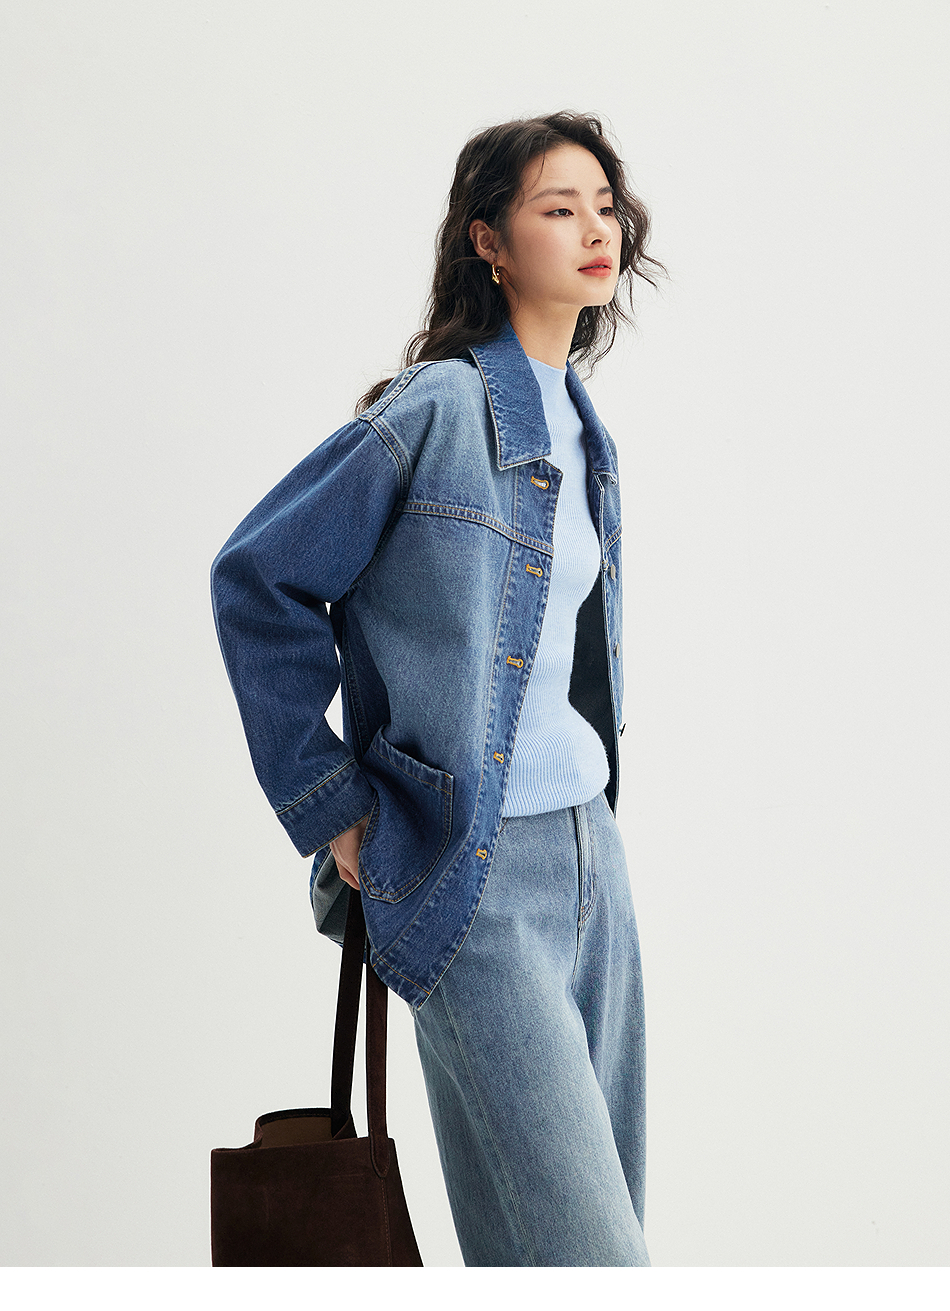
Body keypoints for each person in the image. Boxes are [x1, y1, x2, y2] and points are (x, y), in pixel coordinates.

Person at [211, 110, 665, 1266]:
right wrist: (332, 805)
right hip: (471, 872)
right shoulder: (437, 410)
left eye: (603, 207)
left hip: (590, 859)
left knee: (575, 1250)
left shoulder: (582, 426)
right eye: (557, 209)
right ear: (488, 242)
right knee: (591, 1261)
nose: (594, 231)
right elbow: (257, 577)